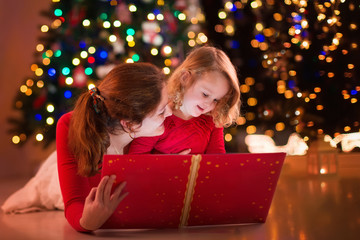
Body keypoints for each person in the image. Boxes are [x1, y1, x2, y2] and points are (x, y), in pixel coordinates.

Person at [56, 62, 172, 232]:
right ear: (130, 125)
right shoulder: (70, 126)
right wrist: (88, 222)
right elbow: (74, 201)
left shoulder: (158, 131)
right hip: (64, 171)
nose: (170, 113)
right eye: (161, 111)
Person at [128, 46, 241, 154]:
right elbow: (136, 159)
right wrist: (171, 165)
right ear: (185, 78)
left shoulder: (212, 121)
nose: (209, 104)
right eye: (205, 94)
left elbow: (217, 161)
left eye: (216, 100)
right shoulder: (158, 117)